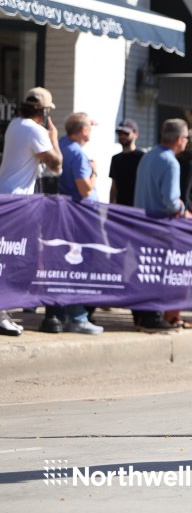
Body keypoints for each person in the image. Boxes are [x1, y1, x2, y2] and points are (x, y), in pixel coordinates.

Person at [0, 87, 63, 337]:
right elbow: (56, 164)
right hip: (17, 203)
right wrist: (54, 137)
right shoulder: (36, 131)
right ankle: (2, 314)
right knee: (10, 258)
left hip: (7, 199)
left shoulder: (15, 125)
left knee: (5, 257)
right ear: (44, 112)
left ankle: (3, 313)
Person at [134, 118, 192, 331]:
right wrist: (183, 210)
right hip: (159, 226)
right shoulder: (170, 162)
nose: (187, 141)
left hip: (141, 223)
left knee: (145, 271)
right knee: (159, 272)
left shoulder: (148, 155)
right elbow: (170, 201)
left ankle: (142, 317)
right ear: (179, 139)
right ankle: (153, 317)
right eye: (186, 137)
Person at [56, 112, 104, 334]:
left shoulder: (63, 144)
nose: (91, 131)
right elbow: (85, 190)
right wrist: (94, 172)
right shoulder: (76, 153)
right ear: (83, 131)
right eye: (89, 128)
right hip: (80, 219)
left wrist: (84, 120)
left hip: (67, 216)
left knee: (65, 266)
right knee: (79, 267)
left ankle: (64, 314)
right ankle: (77, 316)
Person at [108, 118, 144, 206]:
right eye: (120, 133)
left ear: (135, 134)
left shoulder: (142, 157)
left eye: (126, 133)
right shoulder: (115, 159)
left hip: (137, 207)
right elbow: (114, 186)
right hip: (120, 207)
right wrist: (111, 206)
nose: (122, 136)